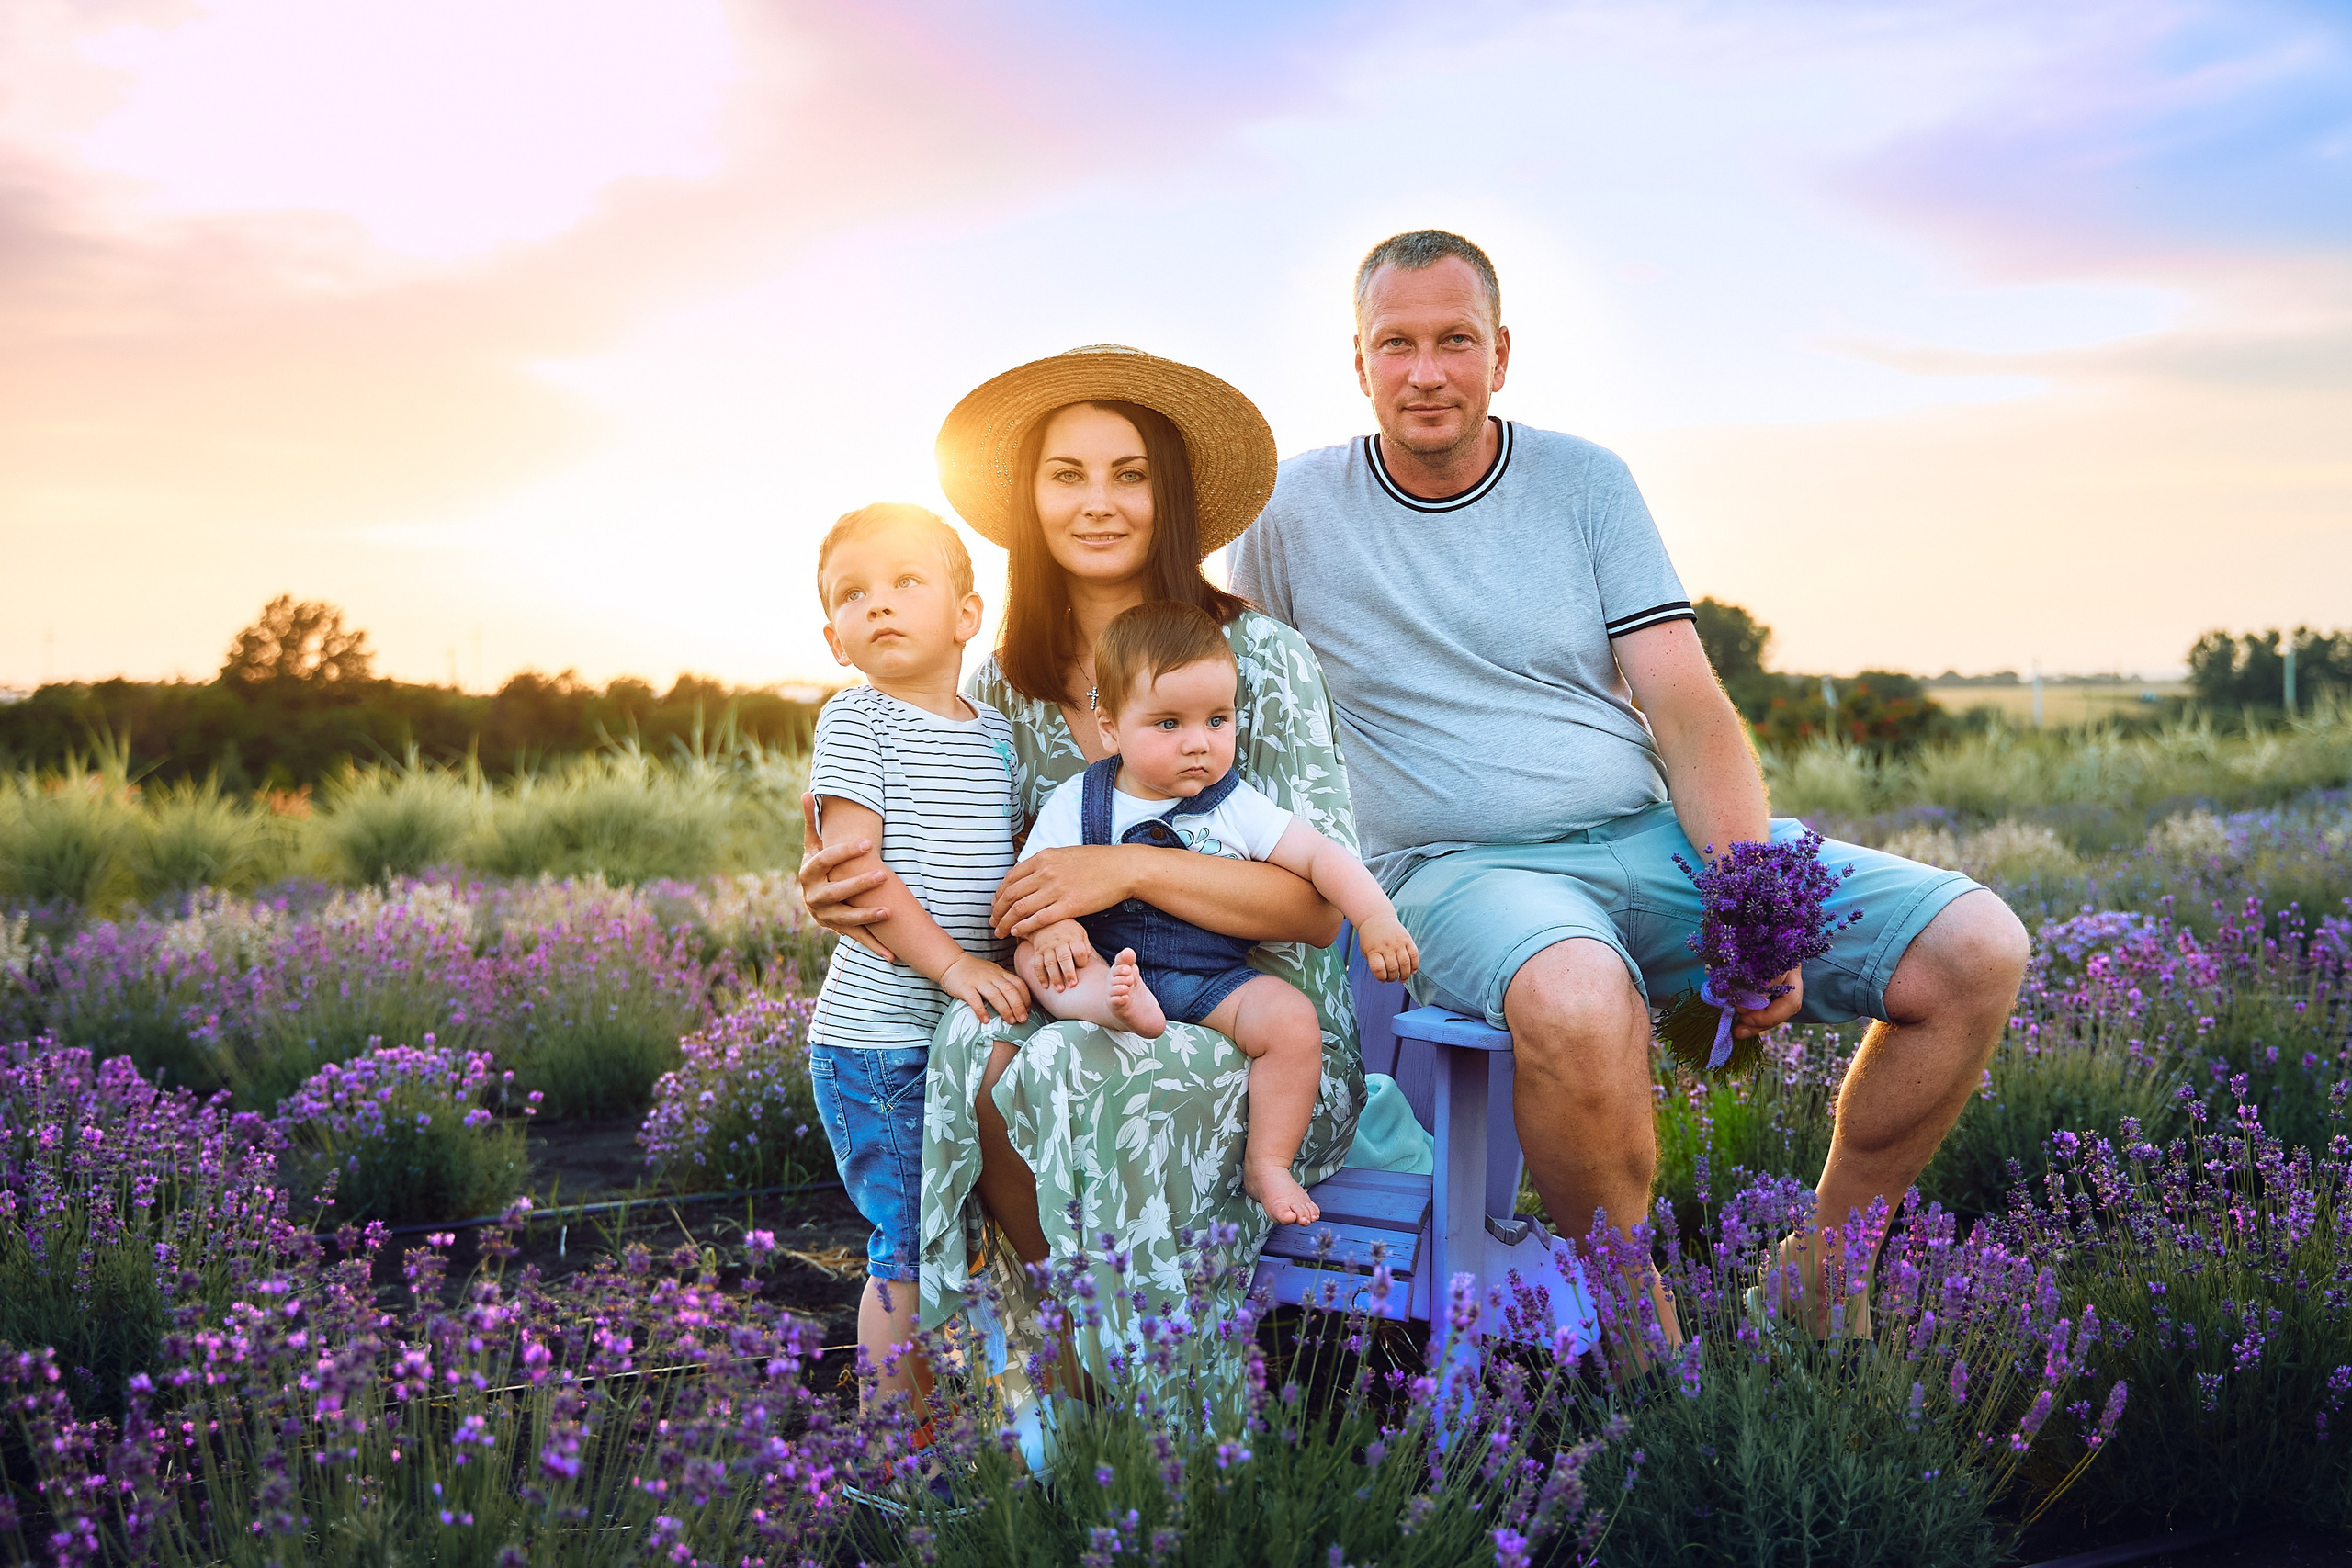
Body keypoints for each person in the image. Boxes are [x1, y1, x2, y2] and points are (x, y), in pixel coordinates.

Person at [1231, 231, 2032, 1337]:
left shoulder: (1585, 481)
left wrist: (1755, 911)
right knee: (1573, 993)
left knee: (1975, 946)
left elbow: (1687, 706)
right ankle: (1634, 1332)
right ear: (1357, 363)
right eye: (1395, 344)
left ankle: (1826, 1270)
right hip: (1457, 871)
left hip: (1642, 833)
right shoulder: (1289, 512)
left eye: (1454, 341)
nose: (1425, 372)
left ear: (1499, 354)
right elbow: (1252, 715)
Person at [795, 346, 1403, 1385]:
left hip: (1257, 1027)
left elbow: (1310, 911)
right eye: (1065, 474)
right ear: (1028, 499)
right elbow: (938, 852)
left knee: (1099, 1076)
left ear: (1168, 498)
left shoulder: (1253, 659)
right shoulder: (994, 692)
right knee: (974, 1048)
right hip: (1071, 991)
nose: (1098, 503)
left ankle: (1160, 1389)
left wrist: (1125, 873)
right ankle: (1073, 1354)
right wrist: (836, 879)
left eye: (1129, 474)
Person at [1013, 599, 1419, 1225]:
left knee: (1290, 1021)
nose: (1199, 744)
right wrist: (1057, 925)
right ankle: (1115, 1007)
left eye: (1217, 719)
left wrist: (1375, 916)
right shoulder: (1081, 800)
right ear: (1111, 724)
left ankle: (1269, 1161)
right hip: (1110, 967)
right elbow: (1031, 885)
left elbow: (1320, 858)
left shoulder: (1236, 805)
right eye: (1169, 723)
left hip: (1210, 980)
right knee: (1040, 956)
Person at [802, 502, 1028, 1428]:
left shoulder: (998, 733)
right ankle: (897, 1457)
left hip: (954, 1038)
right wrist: (952, 970)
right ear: (834, 638)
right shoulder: (858, 720)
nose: (880, 606)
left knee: (963, 1240)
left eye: (905, 584)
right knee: (911, 1244)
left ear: (968, 614)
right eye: (854, 596)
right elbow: (858, 873)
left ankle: (954, 1427)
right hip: (881, 1043)